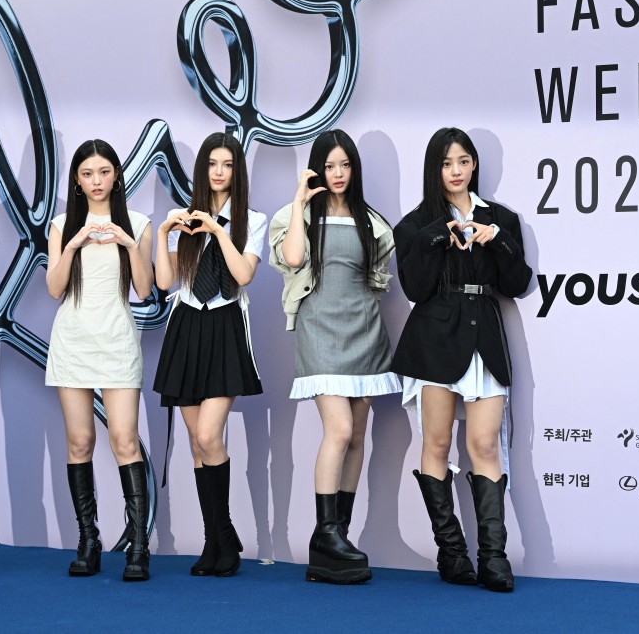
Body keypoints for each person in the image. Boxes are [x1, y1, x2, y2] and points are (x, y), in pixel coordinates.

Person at [392, 127, 532, 593]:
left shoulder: (502, 219)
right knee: (434, 444)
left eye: (464, 161)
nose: (456, 171)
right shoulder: (415, 225)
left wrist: (497, 240)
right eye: (447, 163)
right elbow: (414, 288)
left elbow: (516, 283)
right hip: (435, 339)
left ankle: (493, 558)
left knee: (486, 445)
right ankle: (452, 554)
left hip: (485, 338)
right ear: (435, 169)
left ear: (474, 165)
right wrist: (440, 236)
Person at [268, 129, 400, 584]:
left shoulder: (373, 221)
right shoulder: (294, 214)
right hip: (319, 330)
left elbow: (377, 275)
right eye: (330, 166)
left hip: (365, 330)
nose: (338, 174)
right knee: (339, 430)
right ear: (317, 169)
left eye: (345, 166)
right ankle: (325, 534)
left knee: (358, 434)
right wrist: (301, 201)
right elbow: (293, 257)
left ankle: (336, 538)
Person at [152, 132, 267, 578]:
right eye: (212, 165)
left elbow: (242, 275)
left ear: (237, 172)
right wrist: (164, 233)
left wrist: (218, 229)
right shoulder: (183, 219)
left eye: (228, 165)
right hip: (185, 326)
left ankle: (223, 536)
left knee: (208, 435)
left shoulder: (250, 220)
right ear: (202, 171)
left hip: (223, 324)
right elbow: (165, 283)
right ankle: (215, 540)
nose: (219, 172)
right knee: (197, 445)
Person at [45, 139, 155, 581]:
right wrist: (71, 245)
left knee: (125, 441)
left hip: (116, 340)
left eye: (104, 172)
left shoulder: (139, 222)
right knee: (79, 443)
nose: (96, 181)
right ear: (76, 179)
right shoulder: (59, 225)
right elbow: (54, 289)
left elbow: (145, 290)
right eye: (88, 174)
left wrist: (129, 243)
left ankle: (139, 545)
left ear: (116, 175)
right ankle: (88, 540)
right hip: (72, 341)